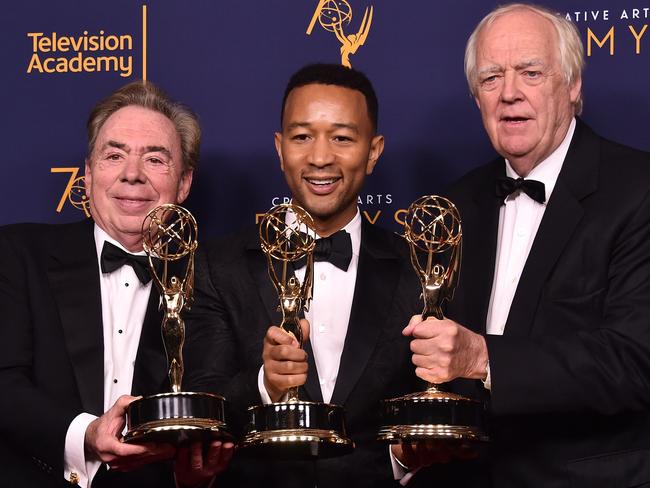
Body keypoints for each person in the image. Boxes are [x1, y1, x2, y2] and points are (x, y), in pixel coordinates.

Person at [403, 3, 650, 486]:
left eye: (530, 72)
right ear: (477, 98)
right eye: (492, 78)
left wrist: (482, 359)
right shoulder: (452, 206)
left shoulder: (638, 189)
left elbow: (635, 359)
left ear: (573, 85)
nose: (509, 94)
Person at [186, 63, 425, 487]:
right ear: (280, 149)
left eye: (342, 138)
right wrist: (265, 385)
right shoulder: (217, 266)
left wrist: (401, 463)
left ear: (373, 151)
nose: (319, 157)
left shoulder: (419, 270)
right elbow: (204, 409)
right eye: (302, 137)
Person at [0, 81, 233, 487]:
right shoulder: (17, 254)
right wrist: (85, 437)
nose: (132, 175)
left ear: (184, 183)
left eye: (155, 159)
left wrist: (193, 475)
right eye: (114, 155)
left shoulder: (216, 280)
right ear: (88, 174)